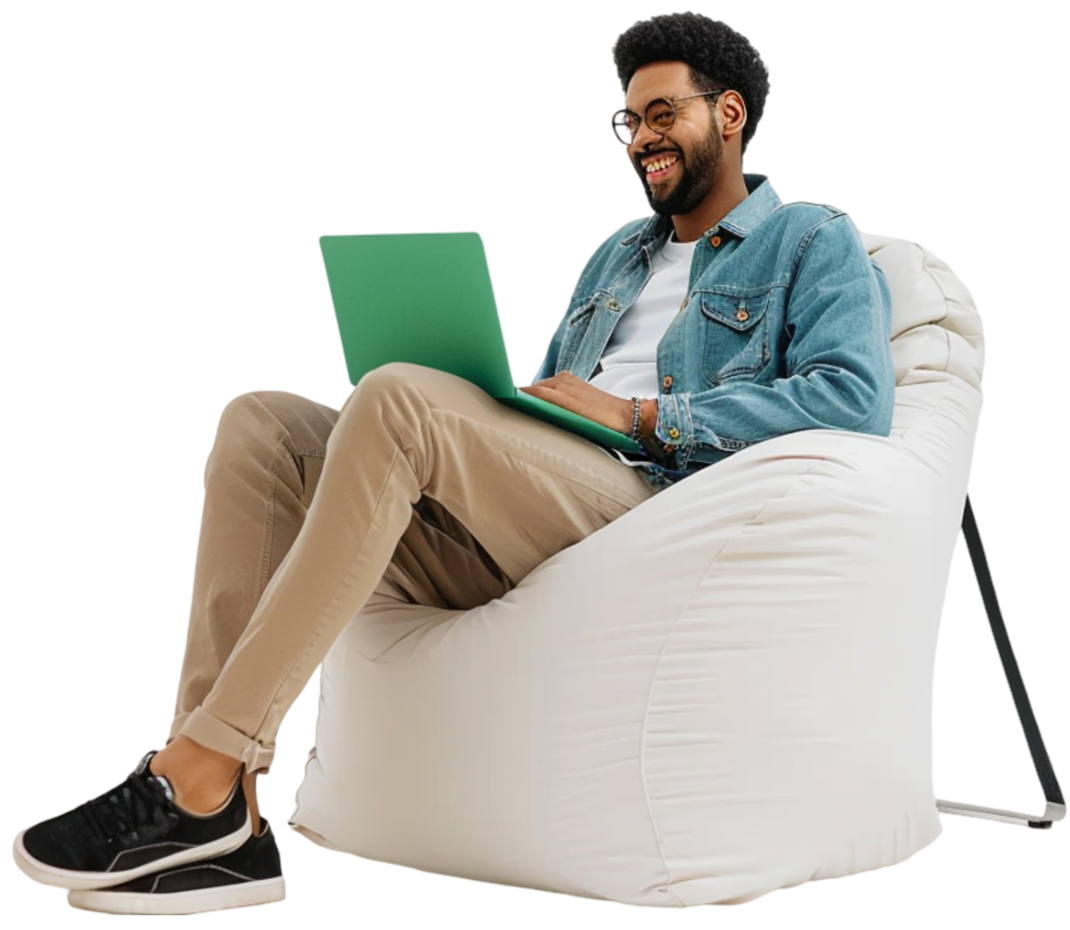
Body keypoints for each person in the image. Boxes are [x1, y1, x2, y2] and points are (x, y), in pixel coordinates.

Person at [11, 10, 896, 916]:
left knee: (397, 399)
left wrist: (640, 415)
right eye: (628, 122)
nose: (641, 139)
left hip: (647, 507)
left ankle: (194, 774)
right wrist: (503, 407)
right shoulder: (616, 256)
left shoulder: (810, 238)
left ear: (730, 114)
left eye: (662, 114)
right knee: (262, 425)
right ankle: (224, 816)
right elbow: (556, 393)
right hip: (544, 496)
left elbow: (854, 399)